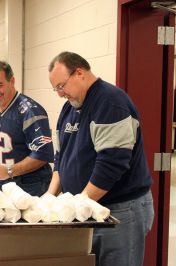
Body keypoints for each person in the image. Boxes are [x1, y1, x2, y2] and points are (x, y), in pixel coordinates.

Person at [47, 51, 154, 266]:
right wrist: (48, 198)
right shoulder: (69, 108)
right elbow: (61, 158)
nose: (60, 94)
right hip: (89, 209)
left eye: (61, 86)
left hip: (119, 211)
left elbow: (111, 165)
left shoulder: (110, 102)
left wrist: (80, 204)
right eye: (56, 88)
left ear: (79, 73)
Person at [0, 61, 54, 197]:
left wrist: (10, 170)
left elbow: (42, 154)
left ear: (12, 81)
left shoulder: (30, 111)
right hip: (4, 183)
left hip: (32, 185)